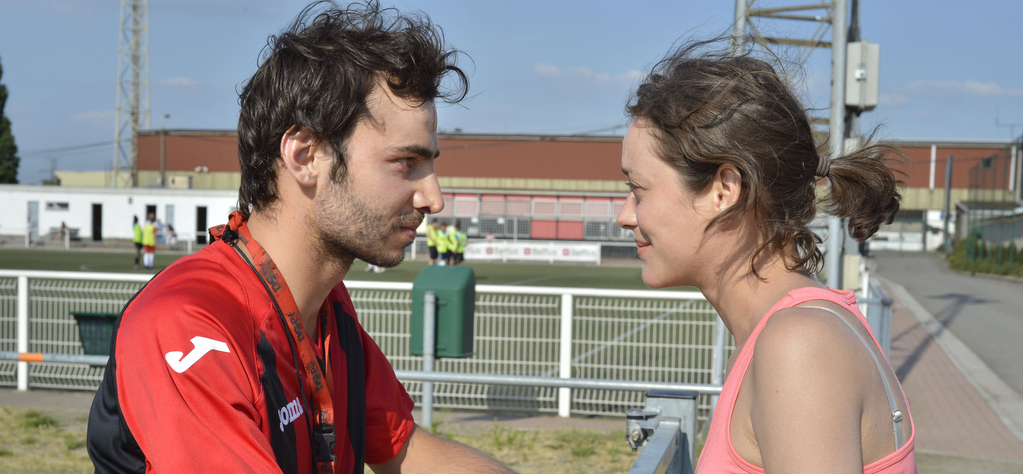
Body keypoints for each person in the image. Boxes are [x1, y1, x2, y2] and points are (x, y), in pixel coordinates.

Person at [87, 3, 513, 473]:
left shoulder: (327, 306)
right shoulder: (189, 323)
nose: (433, 198)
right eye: (406, 163)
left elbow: (404, 449)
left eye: (430, 165)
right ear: (306, 155)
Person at [616, 38, 916, 473]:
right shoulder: (789, 332)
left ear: (724, 189)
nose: (625, 216)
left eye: (637, 189)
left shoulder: (798, 345)